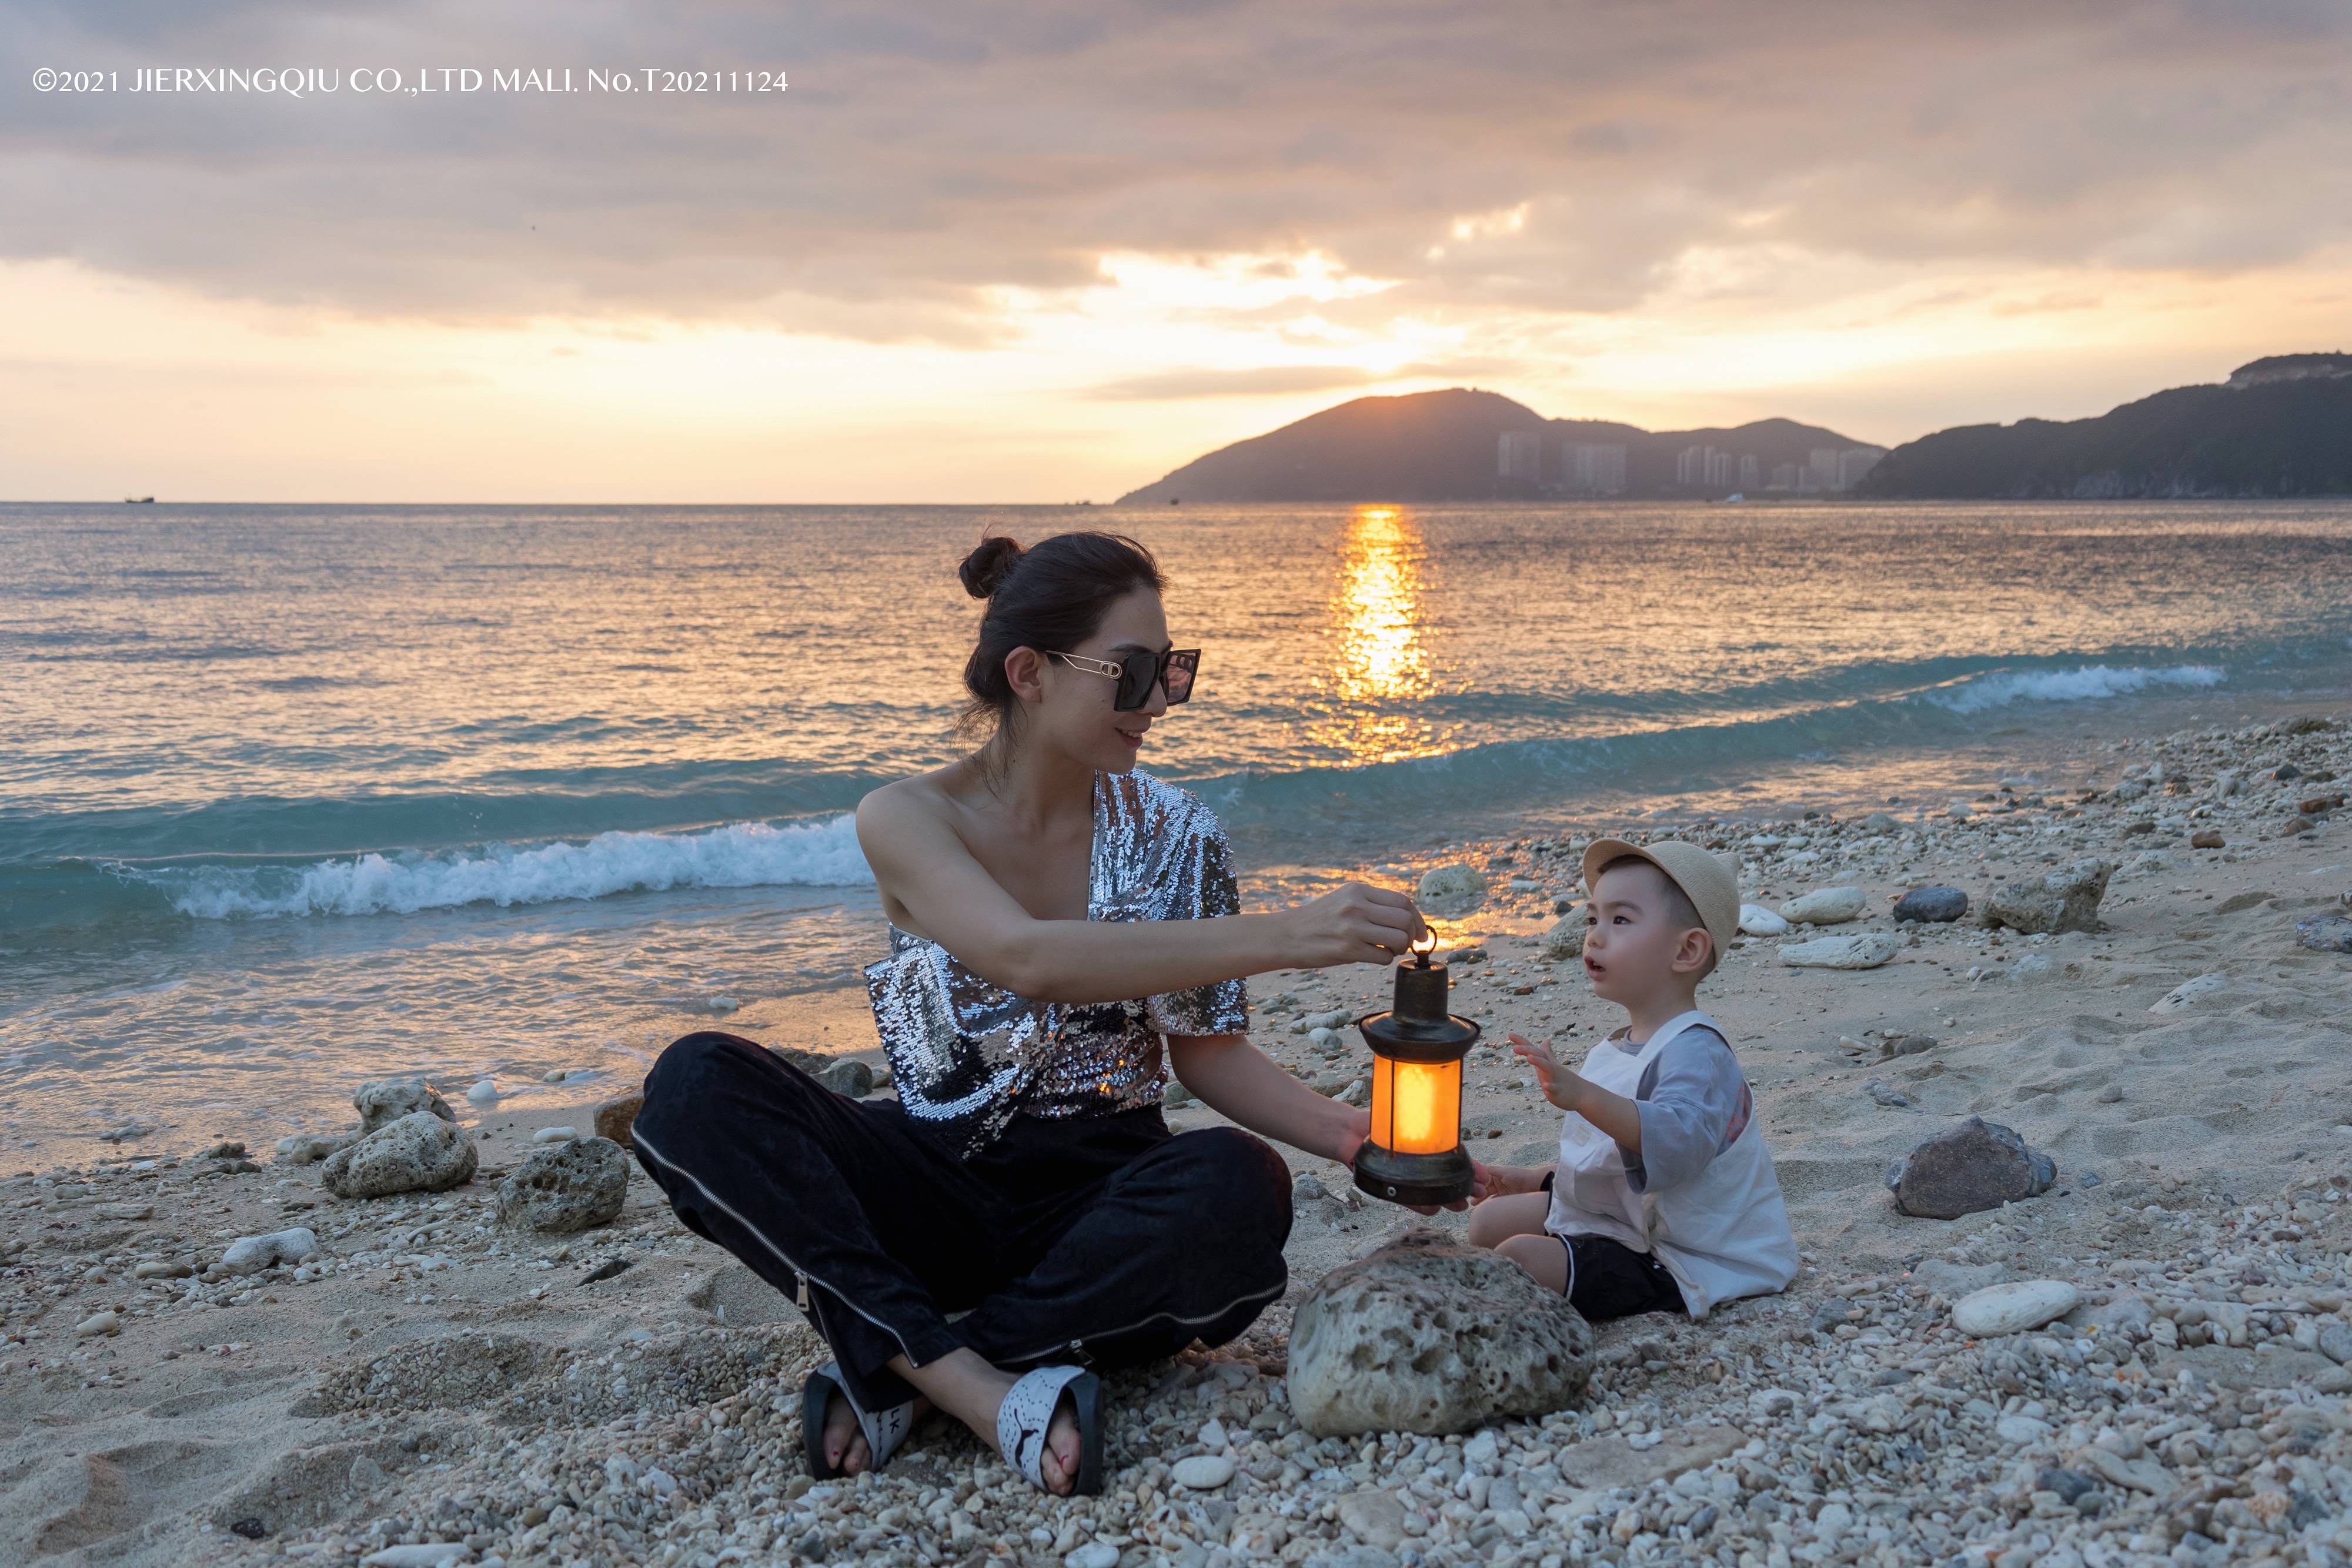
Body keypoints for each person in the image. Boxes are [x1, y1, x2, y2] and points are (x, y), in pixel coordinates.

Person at [628, 530, 1434, 1498]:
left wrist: (1368, 1137)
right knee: (692, 1087)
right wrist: (1292, 932)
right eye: (1132, 672)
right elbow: (1026, 956)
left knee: (1240, 1187)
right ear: (1030, 672)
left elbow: (1208, 1057)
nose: (1160, 702)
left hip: (1101, 1196)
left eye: (1175, 670)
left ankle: (908, 1370)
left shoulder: (1182, 834)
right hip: (932, 1181)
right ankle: (976, 1382)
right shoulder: (907, 819)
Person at [1467, 839, 1796, 1322]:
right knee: (1487, 1222)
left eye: (1620, 920)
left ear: (1686, 949)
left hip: (1685, 1249)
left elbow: (1676, 1148)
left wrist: (1582, 1095)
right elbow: (1613, 1161)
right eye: (1592, 918)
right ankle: (1554, 1214)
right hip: (1631, 1217)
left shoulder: (1698, 1051)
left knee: (1519, 1257)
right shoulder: (1622, 1044)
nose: (1595, 937)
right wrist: (1535, 1179)